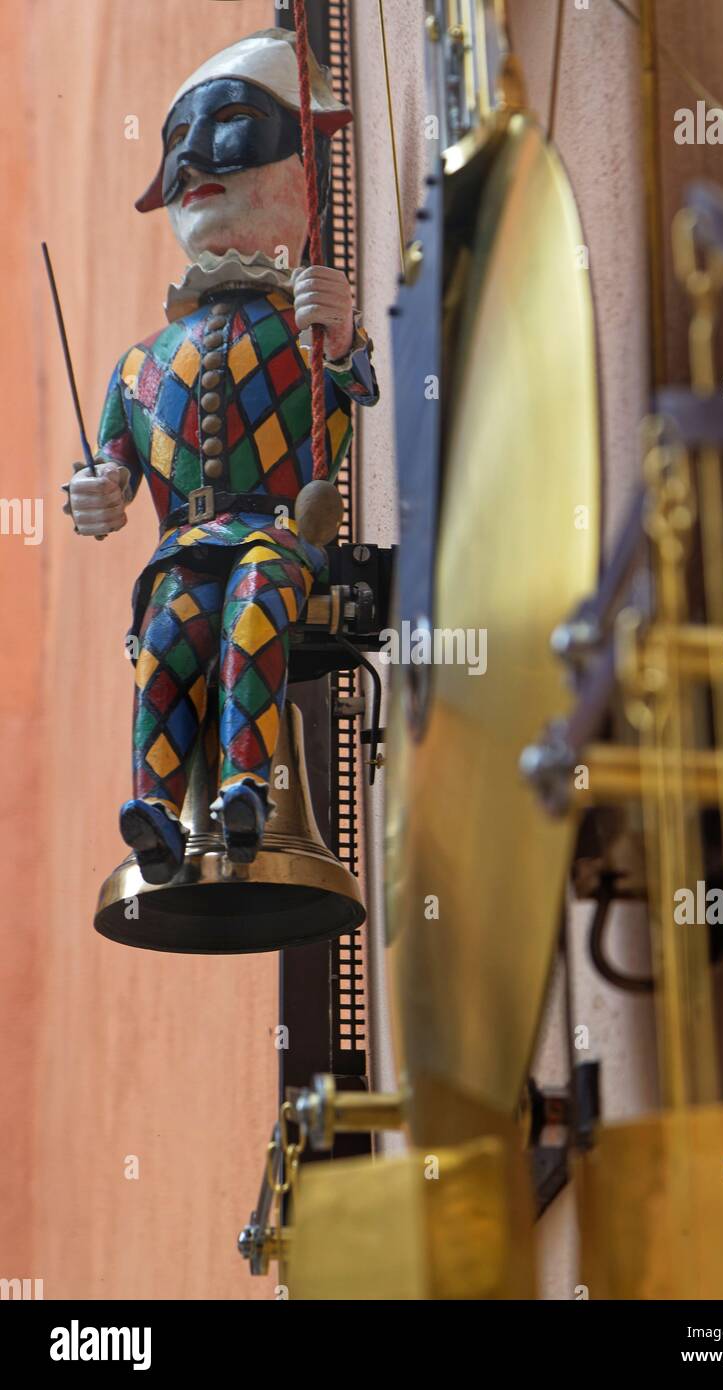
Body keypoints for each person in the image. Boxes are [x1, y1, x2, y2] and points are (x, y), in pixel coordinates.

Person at [65, 29, 379, 884]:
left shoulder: (307, 326)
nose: (194, 156)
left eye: (231, 122)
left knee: (254, 608)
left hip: (275, 534)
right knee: (168, 634)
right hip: (182, 549)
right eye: (176, 140)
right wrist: (96, 491)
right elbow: (112, 469)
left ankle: (245, 784)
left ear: (303, 167)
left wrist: (342, 336)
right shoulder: (140, 364)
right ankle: (156, 810)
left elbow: (351, 390)